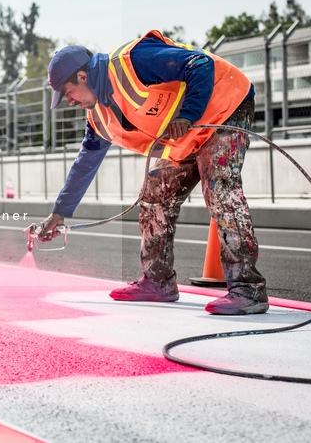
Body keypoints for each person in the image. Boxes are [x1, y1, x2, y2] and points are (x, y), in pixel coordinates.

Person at [36, 30, 268, 315]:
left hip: (226, 106)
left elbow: (200, 64)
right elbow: (85, 164)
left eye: (68, 93)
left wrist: (188, 114)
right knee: (154, 195)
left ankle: (248, 289)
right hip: (188, 135)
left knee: (220, 189)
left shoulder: (133, 62)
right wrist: (58, 213)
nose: (68, 101)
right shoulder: (98, 117)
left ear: (82, 77)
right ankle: (158, 282)